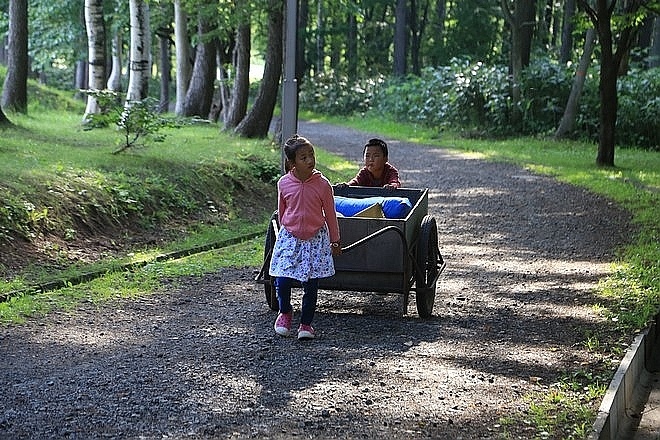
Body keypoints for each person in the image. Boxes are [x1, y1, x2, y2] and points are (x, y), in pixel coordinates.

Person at [269, 134, 342, 340]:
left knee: (310, 284)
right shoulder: (284, 183)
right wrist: (288, 230)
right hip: (290, 238)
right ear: (292, 163)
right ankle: (285, 311)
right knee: (282, 280)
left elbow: (330, 214)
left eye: (311, 155)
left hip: (315, 240)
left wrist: (334, 240)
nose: (310, 160)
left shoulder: (322, 185)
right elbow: (281, 212)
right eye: (303, 157)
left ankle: (306, 324)